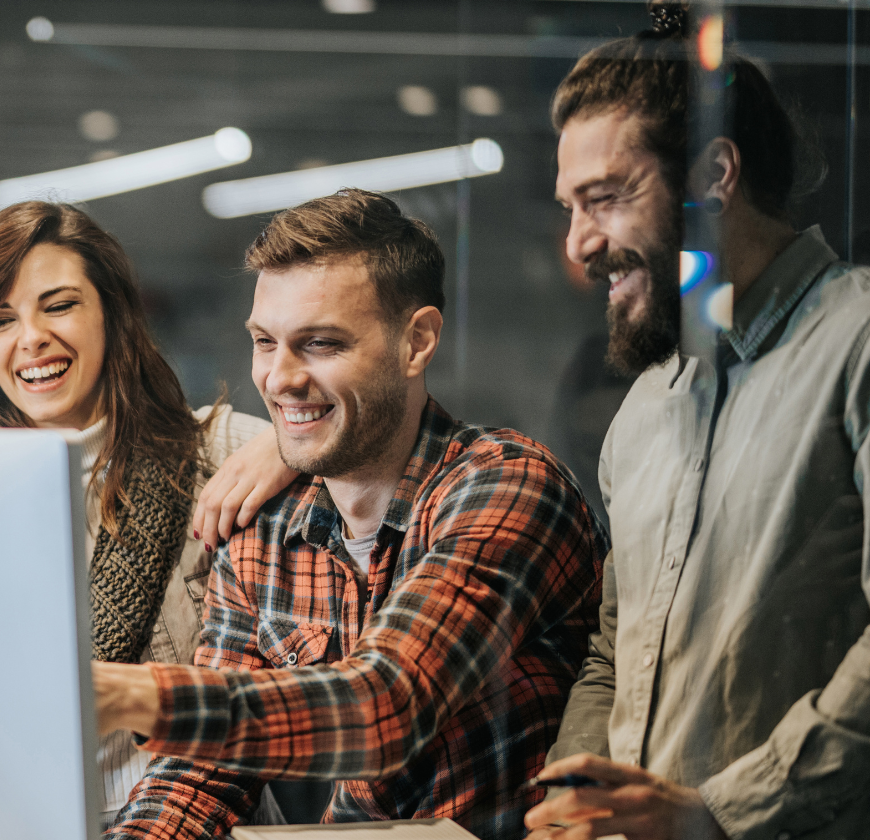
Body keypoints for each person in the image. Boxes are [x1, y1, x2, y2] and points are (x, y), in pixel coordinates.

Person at [94, 189, 607, 838]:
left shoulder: (503, 487)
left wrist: (133, 694)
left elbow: (386, 707)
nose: (279, 378)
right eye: (264, 342)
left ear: (416, 342)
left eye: (320, 344)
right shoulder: (262, 533)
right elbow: (202, 772)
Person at [526, 6, 870, 839]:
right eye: (571, 206)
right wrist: (576, 794)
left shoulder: (857, 343)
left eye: (604, 198)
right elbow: (613, 652)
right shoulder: (646, 406)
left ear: (715, 175)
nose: (578, 244)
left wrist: (717, 815)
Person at [0, 200, 298, 824]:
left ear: (111, 313)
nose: (31, 338)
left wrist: (290, 446)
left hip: (193, 819)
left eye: (59, 305)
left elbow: (374, 453)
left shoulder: (216, 449)